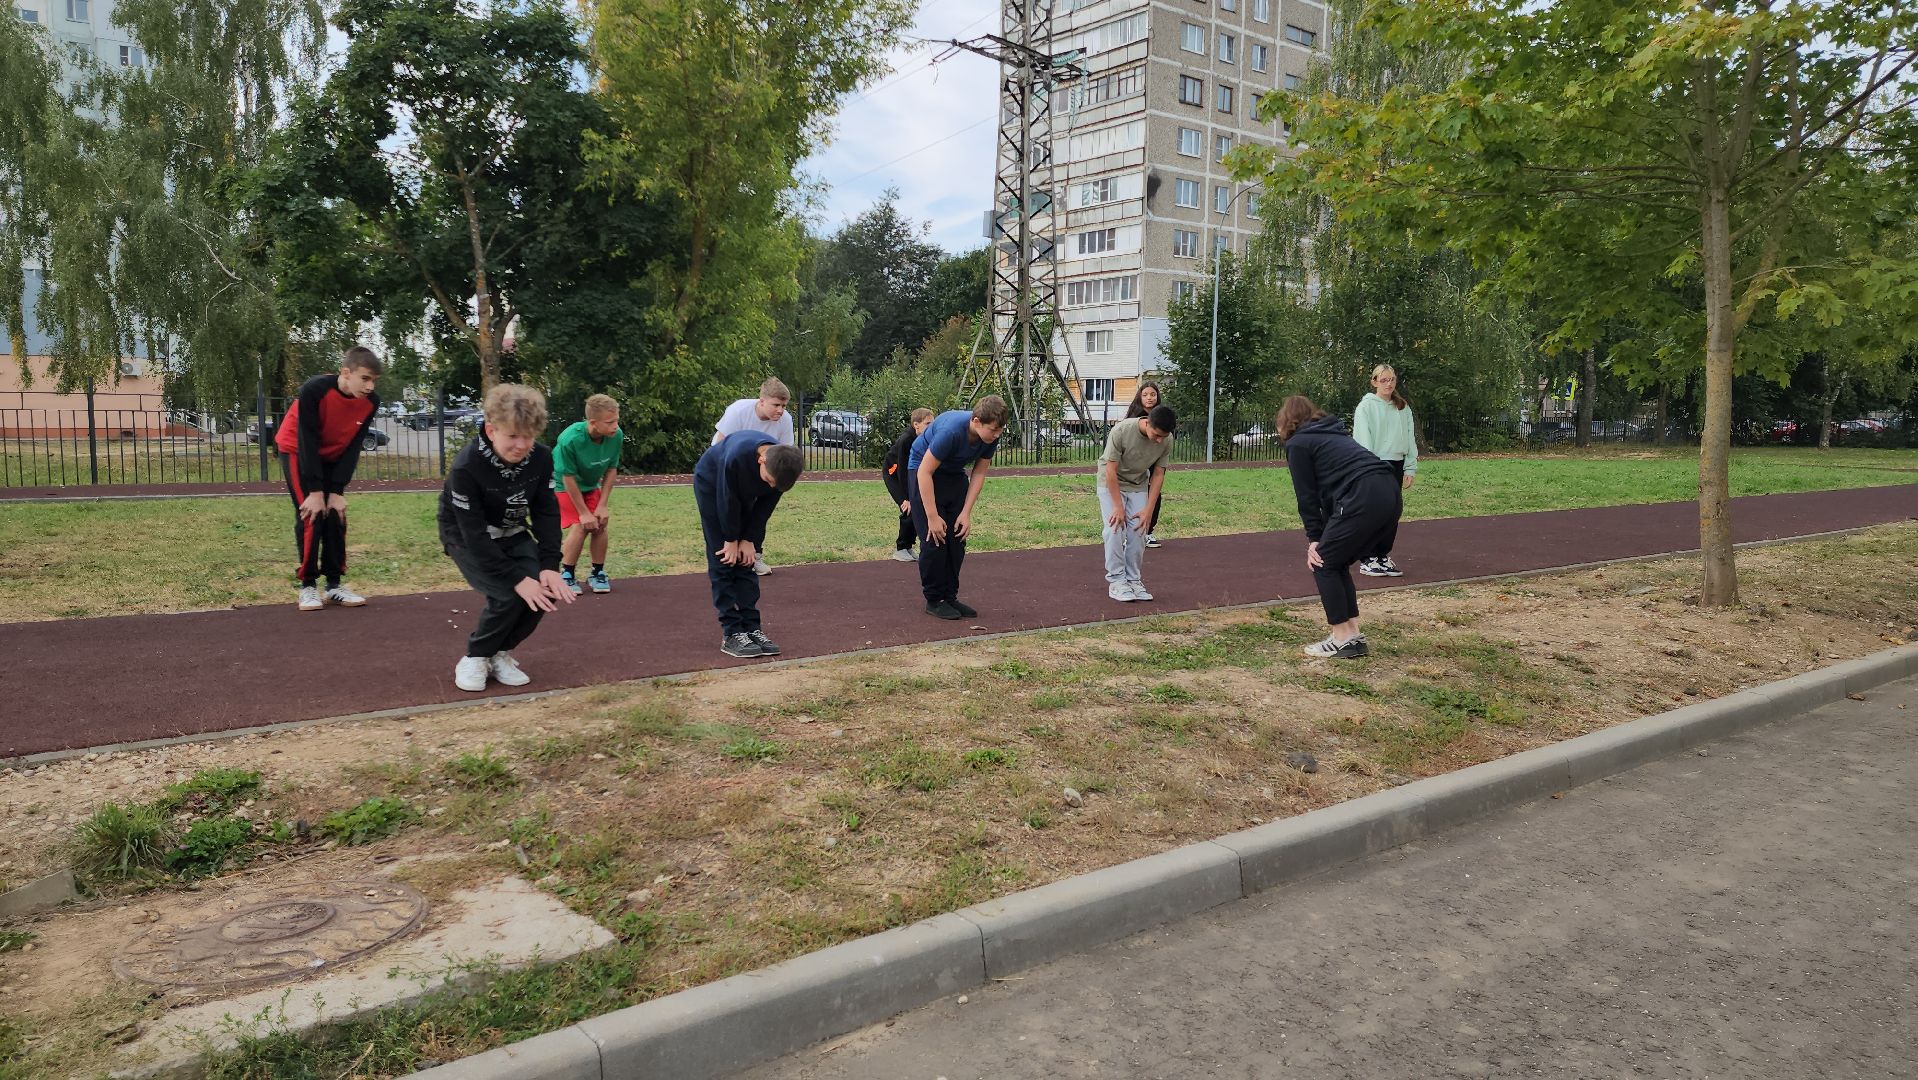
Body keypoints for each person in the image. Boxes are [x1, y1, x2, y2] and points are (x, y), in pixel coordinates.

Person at [438, 384, 575, 692]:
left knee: (543, 589)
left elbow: (546, 511)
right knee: (509, 595)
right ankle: (474, 657)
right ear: (491, 429)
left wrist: (550, 564)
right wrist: (516, 578)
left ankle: (499, 652)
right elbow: (473, 535)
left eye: (528, 436)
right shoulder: (467, 467)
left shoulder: (540, 459)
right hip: (466, 536)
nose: (521, 445)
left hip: (512, 530)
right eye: (513, 436)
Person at [1276, 395, 1403, 660]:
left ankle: (1342, 638)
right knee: (1336, 561)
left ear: (1285, 421)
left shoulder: (1298, 443)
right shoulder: (1335, 434)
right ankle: (1352, 633)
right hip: (1389, 489)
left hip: (1363, 493)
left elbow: (1307, 496)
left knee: (1323, 561)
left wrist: (1314, 539)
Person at [274, 346, 383, 612]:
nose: (370, 386)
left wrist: (336, 490)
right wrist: (314, 491)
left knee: (335, 512)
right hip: (297, 450)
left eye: (374, 381)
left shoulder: (370, 403)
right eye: (365, 378)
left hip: (332, 455)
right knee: (313, 512)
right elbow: (307, 439)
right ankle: (308, 586)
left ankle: (334, 586)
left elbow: (354, 445)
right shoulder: (315, 390)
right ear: (346, 373)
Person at [695, 431, 805, 657]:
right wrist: (731, 539)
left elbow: (764, 510)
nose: (772, 487)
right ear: (761, 460)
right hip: (713, 485)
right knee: (724, 557)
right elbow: (727, 500)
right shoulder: (736, 458)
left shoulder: (782, 468)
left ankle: (751, 627)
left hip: (743, 492)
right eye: (769, 481)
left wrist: (749, 540)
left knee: (747, 559)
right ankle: (732, 632)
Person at [909, 396, 1008, 620]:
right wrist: (932, 517)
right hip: (923, 472)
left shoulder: (991, 436)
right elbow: (925, 472)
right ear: (976, 421)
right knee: (934, 539)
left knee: (957, 538)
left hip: (953, 475)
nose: (997, 435)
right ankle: (934, 600)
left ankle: (950, 596)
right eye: (993, 430)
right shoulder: (951, 432)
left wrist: (966, 512)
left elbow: (980, 472)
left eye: (1000, 430)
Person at [712, 377, 796, 577]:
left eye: (784, 406)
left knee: (761, 511)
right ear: (761, 401)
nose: (780, 410)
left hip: (765, 468)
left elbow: (785, 454)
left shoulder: (786, 420)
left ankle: (754, 554)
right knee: (735, 507)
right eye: (776, 405)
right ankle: (727, 554)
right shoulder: (738, 411)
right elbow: (721, 446)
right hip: (728, 465)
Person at [1100, 404, 1177, 602]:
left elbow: (1159, 474)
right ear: (1147, 423)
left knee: (1139, 530)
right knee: (1114, 528)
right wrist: (1118, 507)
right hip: (1111, 482)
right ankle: (1117, 581)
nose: (1159, 440)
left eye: (1164, 436)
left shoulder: (1167, 439)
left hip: (1138, 485)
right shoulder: (1122, 431)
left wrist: (1149, 510)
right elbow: (1110, 471)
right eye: (1157, 435)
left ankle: (1133, 580)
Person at [553, 394, 625, 595]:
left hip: (590, 486)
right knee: (581, 524)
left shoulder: (615, 435)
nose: (615, 426)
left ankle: (598, 573)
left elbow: (612, 469)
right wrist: (584, 512)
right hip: (564, 486)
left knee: (600, 522)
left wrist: (602, 505)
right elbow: (568, 477)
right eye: (610, 422)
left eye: (617, 420)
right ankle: (566, 575)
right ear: (593, 423)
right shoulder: (570, 439)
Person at [1351, 364, 1418, 578]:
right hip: (1375, 464)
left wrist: (1410, 467)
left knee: (1392, 512)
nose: (1389, 384)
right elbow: (1363, 439)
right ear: (1374, 382)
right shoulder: (1366, 407)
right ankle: (1368, 557)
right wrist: (1368, 468)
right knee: (1374, 511)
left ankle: (1382, 555)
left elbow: (1409, 438)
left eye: (1392, 380)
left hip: (1396, 463)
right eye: (1384, 380)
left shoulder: (1402, 407)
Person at [881, 408, 936, 563]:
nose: (931, 427)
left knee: (917, 506)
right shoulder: (907, 440)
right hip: (894, 474)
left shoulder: (927, 438)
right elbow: (902, 472)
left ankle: (909, 546)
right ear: (916, 425)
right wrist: (905, 498)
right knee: (909, 507)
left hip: (909, 474)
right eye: (928, 423)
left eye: (933, 423)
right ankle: (901, 548)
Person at [1123, 381, 1168, 548]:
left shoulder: (1162, 416)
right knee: (1133, 496)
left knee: (1154, 495)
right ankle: (1129, 533)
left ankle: (1148, 532)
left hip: (1154, 460)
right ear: (1140, 397)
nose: (1149, 398)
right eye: (1145, 395)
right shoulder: (1134, 418)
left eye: (1153, 394)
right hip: (1135, 461)